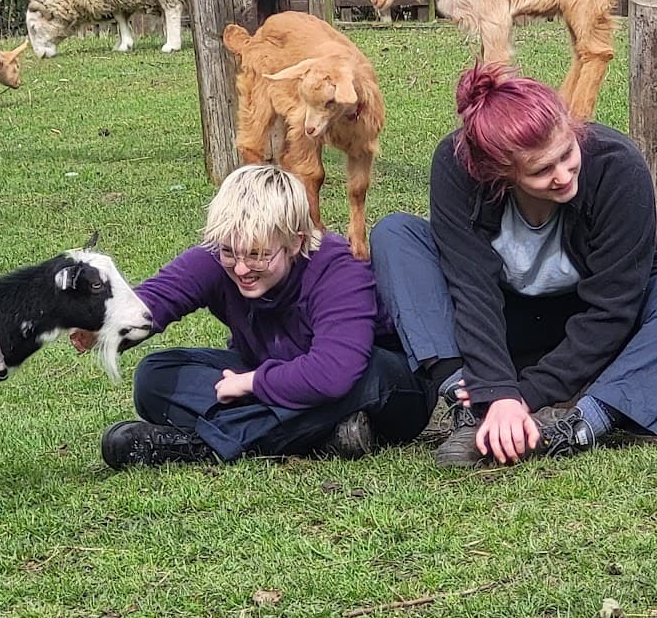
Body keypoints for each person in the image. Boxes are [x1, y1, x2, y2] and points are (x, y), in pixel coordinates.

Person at [370, 66, 657, 467]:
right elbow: (471, 290)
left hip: (597, 322)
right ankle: (469, 408)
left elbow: (614, 307)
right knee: (395, 234)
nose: (563, 175)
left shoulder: (618, 166)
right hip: (505, 323)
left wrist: (524, 395)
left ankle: (581, 423)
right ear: (500, 174)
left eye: (567, 154)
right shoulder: (457, 166)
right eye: (542, 170)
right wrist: (494, 391)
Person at [86, 163, 433, 469]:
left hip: (384, 387)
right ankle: (319, 435)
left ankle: (202, 446)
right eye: (228, 252)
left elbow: (333, 372)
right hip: (283, 373)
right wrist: (99, 325)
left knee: (358, 376)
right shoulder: (218, 258)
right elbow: (155, 300)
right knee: (154, 376)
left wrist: (250, 383)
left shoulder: (338, 268)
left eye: (258, 255)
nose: (241, 269)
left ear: (296, 242)